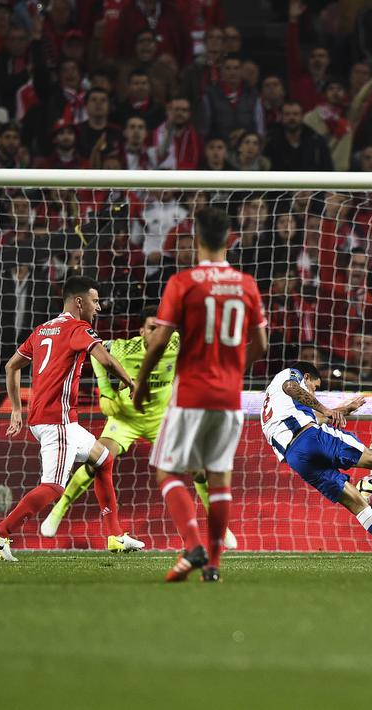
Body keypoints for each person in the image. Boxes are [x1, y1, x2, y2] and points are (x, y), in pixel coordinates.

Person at [132, 207, 268, 582]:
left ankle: (192, 544)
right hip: (229, 396)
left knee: (167, 469)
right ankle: (213, 565)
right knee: (219, 477)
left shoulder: (183, 282)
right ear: (228, 240)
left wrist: (142, 382)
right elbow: (261, 343)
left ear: (195, 242)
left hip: (191, 392)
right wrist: (233, 369)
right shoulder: (246, 284)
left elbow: (158, 340)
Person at [0, 276, 136, 562]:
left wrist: (17, 408)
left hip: (53, 420)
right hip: (57, 421)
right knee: (53, 487)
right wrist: (131, 382)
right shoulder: (78, 327)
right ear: (79, 302)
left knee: (103, 460)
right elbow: (104, 359)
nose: (98, 307)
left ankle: (115, 536)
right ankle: (2, 532)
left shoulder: (43, 330)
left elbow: (11, 365)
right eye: (95, 300)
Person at [41, 306, 217, 552]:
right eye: (153, 328)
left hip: (161, 420)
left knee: (199, 470)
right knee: (99, 459)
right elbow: (94, 352)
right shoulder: (125, 348)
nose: (159, 334)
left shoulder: (178, 344)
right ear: (142, 331)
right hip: (125, 417)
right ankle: (59, 509)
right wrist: (105, 389)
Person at [261, 362, 372, 560]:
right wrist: (325, 409)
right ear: (305, 377)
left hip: (296, 457)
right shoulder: (289, 376)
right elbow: (292, 388)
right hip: (311, 438)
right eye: (315, 387)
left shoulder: (276, 403)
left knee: (357, 504)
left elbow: (314, 417)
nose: (314, 393)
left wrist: (345, 409)